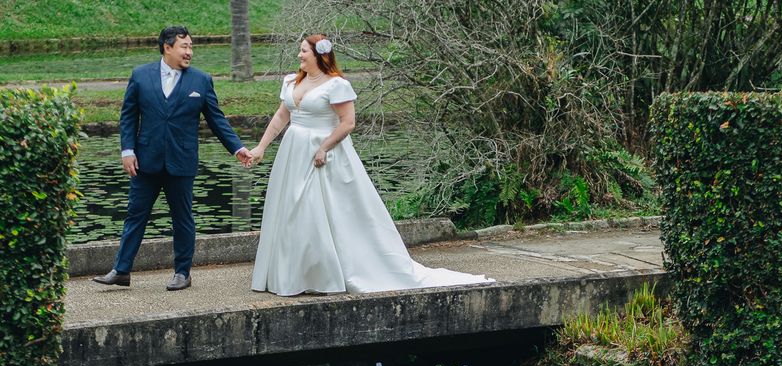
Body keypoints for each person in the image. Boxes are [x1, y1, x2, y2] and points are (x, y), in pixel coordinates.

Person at [249, 34, 493, 295]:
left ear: (320, 56)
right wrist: (261, 147)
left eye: (304, 51)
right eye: (300, 51)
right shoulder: (291, 81)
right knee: (291, 210)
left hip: (324, 154)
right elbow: (281, 116)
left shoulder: (336, 85)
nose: (299, 56)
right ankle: (290, 273)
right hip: (293, 153)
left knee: (317, 210)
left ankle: (323, 273)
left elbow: (347, 122)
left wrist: (324, 147)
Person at [93, 26, 253, 291]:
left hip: (182, 161)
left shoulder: (201, 80)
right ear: (167, 47)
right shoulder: (141, 75)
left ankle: (182, 273)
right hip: (145, 160)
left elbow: (216, 119)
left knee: (182, 217)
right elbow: (129, 116)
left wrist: (237, 148)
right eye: (184, 46)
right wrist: (127, 151)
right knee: (135, 214)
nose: (189, 52)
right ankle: (121, 271)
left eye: (191, 46)